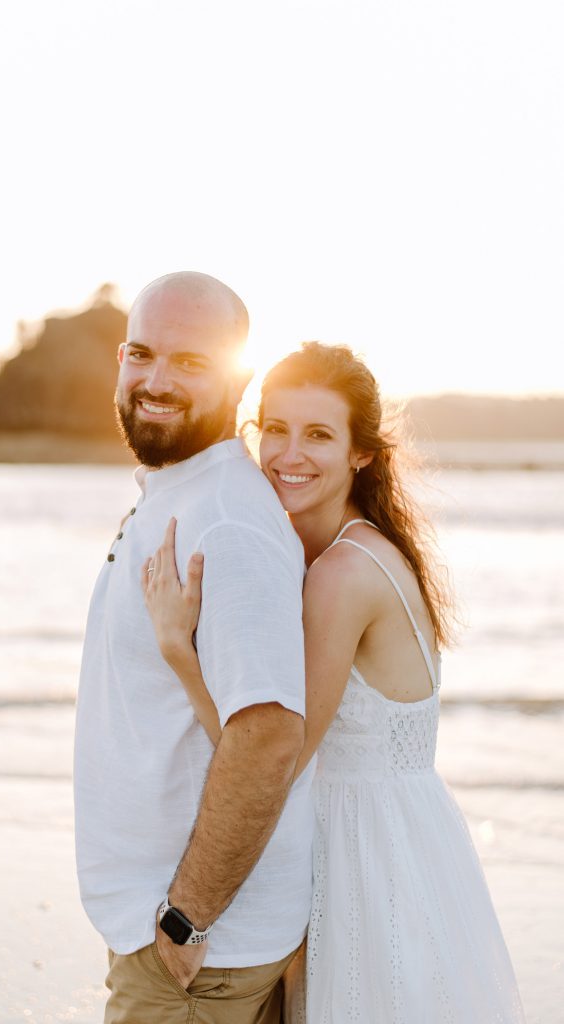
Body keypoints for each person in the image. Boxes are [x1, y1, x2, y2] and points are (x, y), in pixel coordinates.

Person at [143, 342, 526, 1023]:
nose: (290, 455)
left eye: (319, 434)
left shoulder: (341, 574)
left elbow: (279, 758)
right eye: (277, 430)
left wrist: (177, 649)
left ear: (361, 454)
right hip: (399, 839)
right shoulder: (334, 549)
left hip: (365, 856)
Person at [73, 271, 316, 1024]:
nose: (155, 380)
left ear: (237, 377)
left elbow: (271, 735)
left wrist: (185, 917)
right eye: (141, 354)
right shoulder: (177, 488)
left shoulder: (226, 519)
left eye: (190, 362)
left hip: (197, 954)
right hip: (173, 934)